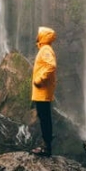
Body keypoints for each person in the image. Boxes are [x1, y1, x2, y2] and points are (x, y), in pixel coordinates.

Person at [31, 26, 57, 157]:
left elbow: (51, 65)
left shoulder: (45, 49)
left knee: (44, 118)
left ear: (43, 36)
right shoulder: (44, 49)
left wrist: (39, 79)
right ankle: (46, 143)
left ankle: (46, 147)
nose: (37, 35)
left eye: (39, 34)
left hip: (43, 91)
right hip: (42, 92)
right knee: (44, 118)